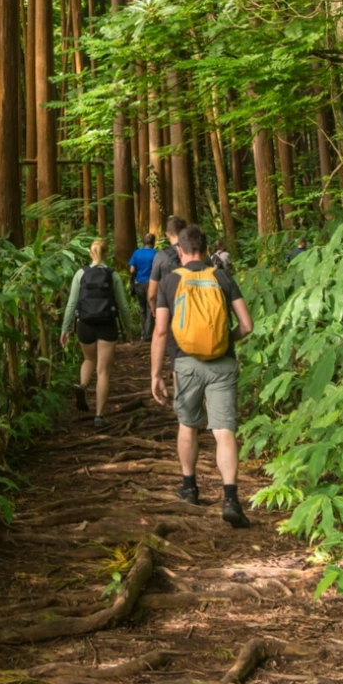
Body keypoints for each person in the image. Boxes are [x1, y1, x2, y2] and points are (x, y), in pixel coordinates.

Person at [150, 223, 254, 527]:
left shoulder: (170, 281)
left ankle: (189, 488)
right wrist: (224, 341)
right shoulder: (221, 276)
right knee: (224, 430)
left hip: (185, 364)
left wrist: (156, 374)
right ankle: (231, 499)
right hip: (222, 364)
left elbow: (160, 331)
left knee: (188, 425)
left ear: (179, 251)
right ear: (207, 250)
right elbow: (247, 325)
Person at [61, 238, 132, 431]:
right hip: (107, 325)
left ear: (90, 254)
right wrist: (128, 328)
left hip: (85, 325)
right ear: (106, 254)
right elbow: (123, 305)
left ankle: (83, 386)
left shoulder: (81, 274)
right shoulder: (112, 275)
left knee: (88, 360)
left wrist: (65, 329)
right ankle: (99, 416)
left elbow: (71, 304)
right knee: (103, 371)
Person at [147, 215, 187, 321]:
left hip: (170, 314)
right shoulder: (197, 253)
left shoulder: (161, 256)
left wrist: (155, 311)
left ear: (167, 234)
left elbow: (152, 294)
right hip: (194, 313)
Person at [128, 233, 158, 340]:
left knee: (142, 308)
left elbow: (132, 270)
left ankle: (143, 333)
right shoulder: (156, 254)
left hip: (139, 284)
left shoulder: (136, 253)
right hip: (151, 284)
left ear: (143, 241)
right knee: (150, 308)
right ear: (153, 242)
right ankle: (148, 334)